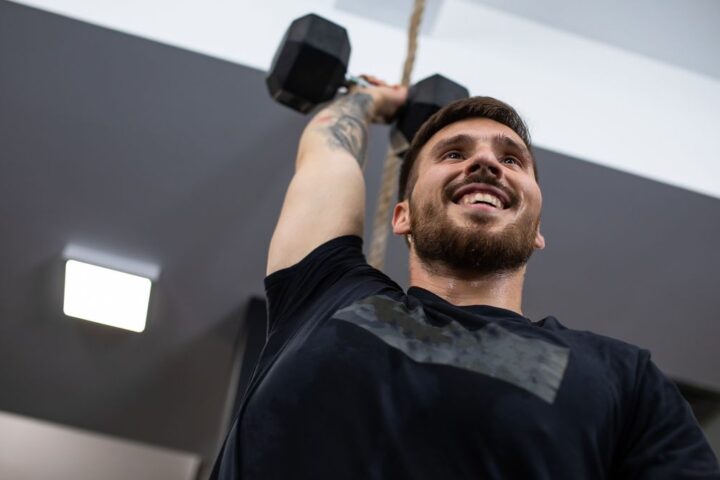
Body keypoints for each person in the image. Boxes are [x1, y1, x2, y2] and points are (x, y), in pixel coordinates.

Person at [210, 77, 720, 479]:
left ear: (538, 230)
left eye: (511, 158)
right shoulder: (324, 290)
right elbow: (327, 154)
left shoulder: (623, 378)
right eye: (453, 153)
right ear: (402, 215)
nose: (485, 162)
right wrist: (369, 100)